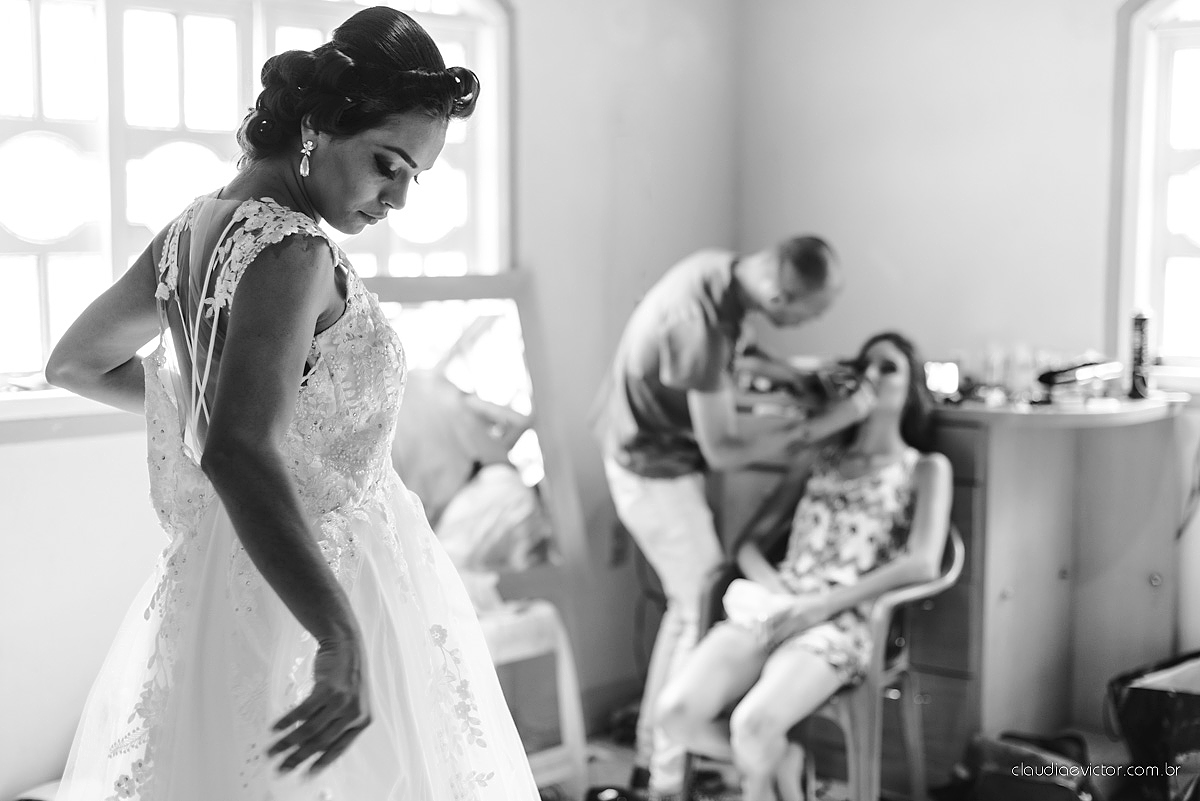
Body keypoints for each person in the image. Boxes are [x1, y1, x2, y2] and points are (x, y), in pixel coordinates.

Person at [45, 7, 539, 799]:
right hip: (321, 582)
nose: (398, 198)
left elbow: (76, 361)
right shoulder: (293, 252)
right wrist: (337, 630)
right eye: (388, 163)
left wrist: (205, 401)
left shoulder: (190, 230)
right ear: (317, 125)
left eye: (415, 176)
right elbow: (240, 447)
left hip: (221, 577)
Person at [592, 238, 875, 800]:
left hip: (657, 457)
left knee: (685, 607)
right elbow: (723, 448)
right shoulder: (699, 322)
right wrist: (830, 422)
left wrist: (797, 374)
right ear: (778, 292)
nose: (809, 323)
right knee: (696, 604)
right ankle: (668, 775)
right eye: (808, 313)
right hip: (653, 473)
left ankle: (656, 760)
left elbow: (738, 359)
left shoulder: (718, 272)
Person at [653, 331, 953, 801]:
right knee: (674, 713)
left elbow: (922, 562)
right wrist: (778, 592)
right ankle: (784, 763)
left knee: (752, 726)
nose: (871, 375)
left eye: (888, 367)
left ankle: (766, 779)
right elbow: (749, 544)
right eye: (865, 365)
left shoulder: (925, 468)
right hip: (775, 604)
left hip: (842, 618)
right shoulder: (820, 460)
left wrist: (816, 607)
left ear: (913, 387)